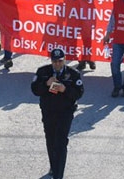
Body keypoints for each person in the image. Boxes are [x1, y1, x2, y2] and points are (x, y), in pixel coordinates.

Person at [31, 48, 84, 179]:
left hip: (65, 112)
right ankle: (54, 167)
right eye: (55, 61)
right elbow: (35, 90)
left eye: (60, 61)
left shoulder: (73, 74)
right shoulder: (43, 71)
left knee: (60, 142)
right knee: (51, 140)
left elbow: (79, 93)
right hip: (48, 111)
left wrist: (65, 89)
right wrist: (45, 84)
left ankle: (58, 175)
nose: (57, 64)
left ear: (64, 60)